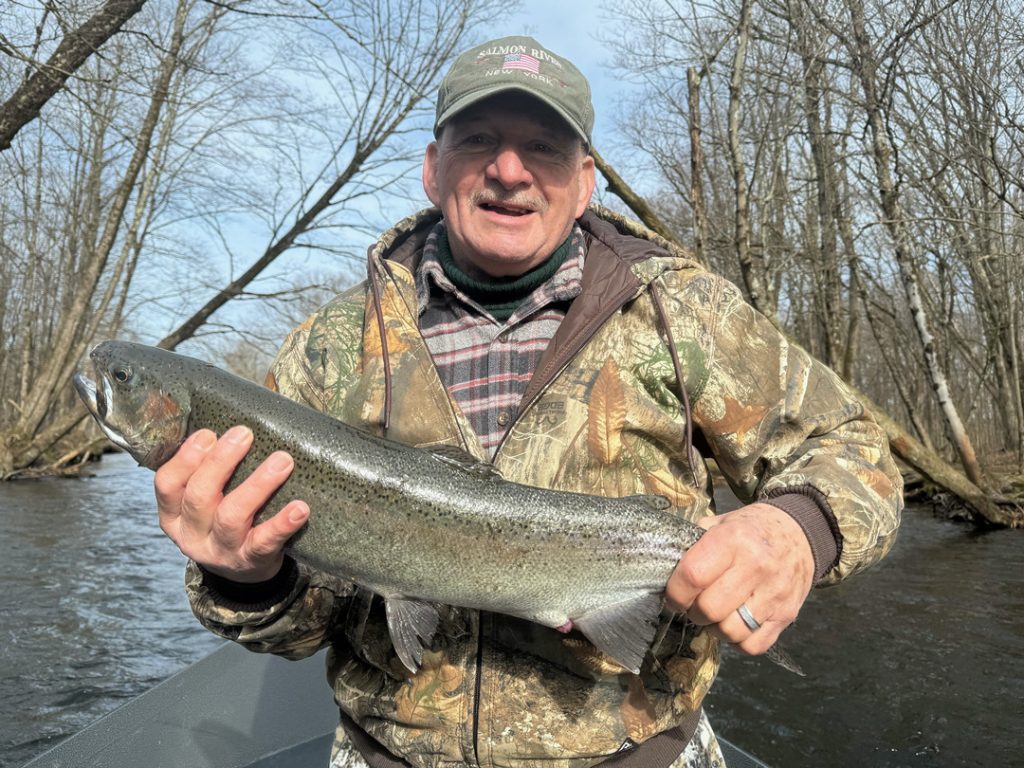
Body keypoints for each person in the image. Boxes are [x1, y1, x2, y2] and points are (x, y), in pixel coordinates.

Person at [154, 36, 903, 768]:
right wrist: (246, 577)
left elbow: (855, 450)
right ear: (432, 168)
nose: (509, 171)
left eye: (542, 147)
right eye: (478, 139)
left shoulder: (686, 314)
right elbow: (297, 627)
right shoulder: (329, 349)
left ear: (585, 182)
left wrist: (794, 529)